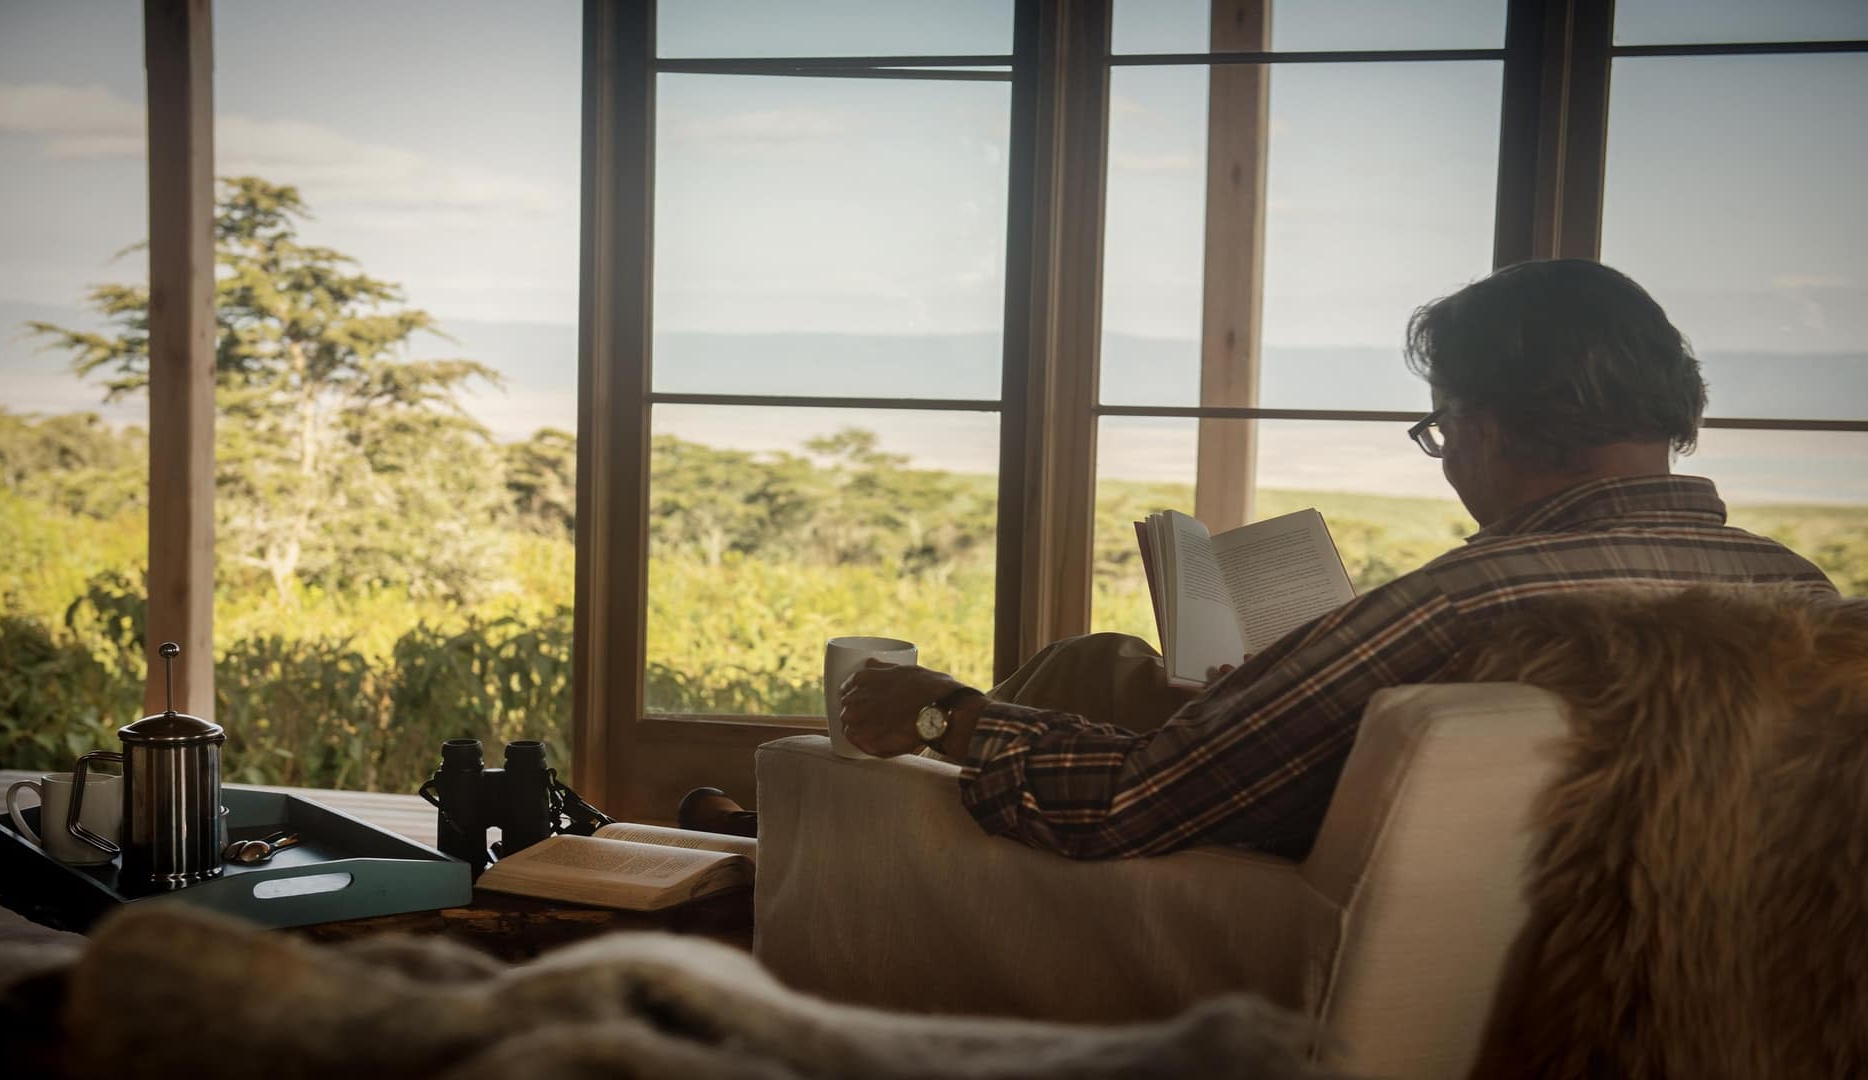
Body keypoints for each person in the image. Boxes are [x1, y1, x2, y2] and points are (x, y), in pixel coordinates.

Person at [682, 259, 1837, 858]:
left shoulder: (1470, 598)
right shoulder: (1808, 596)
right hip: (1639, 943)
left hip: (1251, 879)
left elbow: (1134, 806)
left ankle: (782, 847)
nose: (1447, 458)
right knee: (1104, 662)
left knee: (1062, 689)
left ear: (1484, 425)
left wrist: (943, 715)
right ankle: (765, 837)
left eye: (1439, 433)